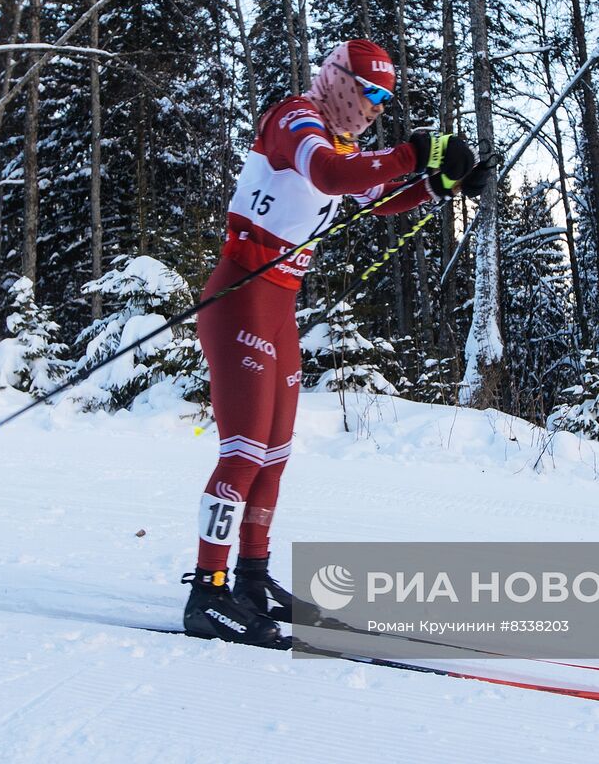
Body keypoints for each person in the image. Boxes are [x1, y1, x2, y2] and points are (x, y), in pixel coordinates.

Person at [182, 39, 485, 645]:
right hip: (239, 295)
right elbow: (330, 175)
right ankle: (206, 593)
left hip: (278, 308)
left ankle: (250, 577)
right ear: (339, 80)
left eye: (385, 103)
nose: (375, 109)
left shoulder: (344, 144)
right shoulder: (295, 119)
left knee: (272, 457)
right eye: (370, 95)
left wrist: (439, 186)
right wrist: (411, 153)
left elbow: (372, 198)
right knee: (241, 454)